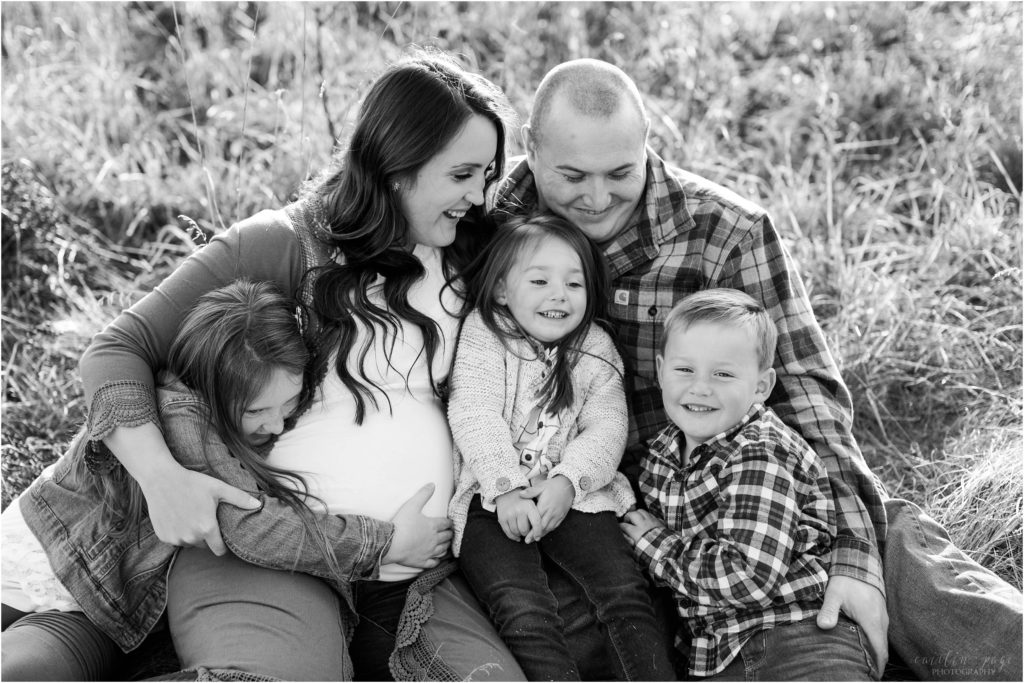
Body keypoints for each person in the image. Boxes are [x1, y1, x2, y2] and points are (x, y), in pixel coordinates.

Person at [496, 57, 1022, 681]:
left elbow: (807, 396)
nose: (597, 197)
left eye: (620, 173)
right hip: (604, 505)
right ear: (530, 149)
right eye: (572, 175)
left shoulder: (727, 231)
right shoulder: (491, 226)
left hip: (745, 481)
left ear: (646, 145)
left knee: (900, 557)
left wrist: (855, 556)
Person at [74, 50, 525, 681]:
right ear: (398, 167)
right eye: (464, 175)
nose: (479, 196)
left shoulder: (471, 256)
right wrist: (161, 479)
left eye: (489, 175)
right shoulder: (281, 244)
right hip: (272, 553)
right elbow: (116, 351)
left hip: (418, 570)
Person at [2, 280, 449, 681]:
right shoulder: (183, 419)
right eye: (255, 411)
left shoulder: (249, 401)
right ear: (212, 387)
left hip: (112, 602)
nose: (276, 424)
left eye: (288, 403)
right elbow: (252, 527)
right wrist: (385, 543)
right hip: (59, 574)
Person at [446, 213, 674, 681]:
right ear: (503, 290)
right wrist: (506, 487)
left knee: (623, 591)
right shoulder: (485, 333)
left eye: (575, 283)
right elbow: (473, 411)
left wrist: (570, 481)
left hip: (578, 495)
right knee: (522, 607)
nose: (559, 295)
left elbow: (607, 426)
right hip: (491, 497)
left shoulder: (594, 346)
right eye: (540, 280)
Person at [620, 288, 875, 680]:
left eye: (723, 374)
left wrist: (654, 547)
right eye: (684, 370)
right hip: (717, 655)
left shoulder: (759, 452)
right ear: (660, 370)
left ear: (761, 386)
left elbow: (749, 577)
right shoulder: (662, 456)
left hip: (795, 638)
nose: (700, 387)